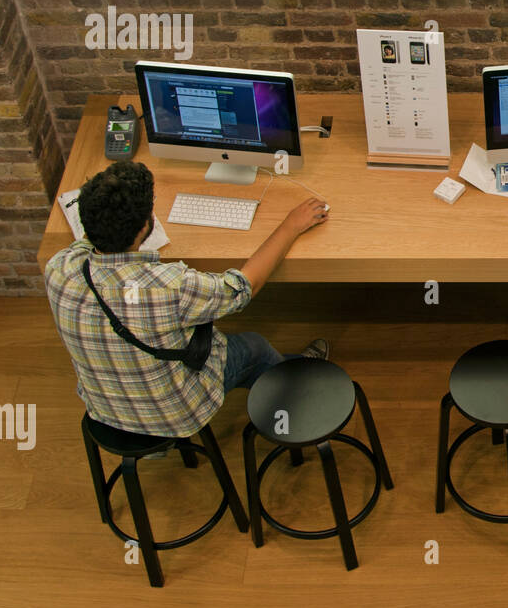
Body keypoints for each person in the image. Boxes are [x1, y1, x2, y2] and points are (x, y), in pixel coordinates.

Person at [45, 161, 330, 438]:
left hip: (106, 408)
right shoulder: (171, 287)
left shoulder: (59, 267)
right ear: (146, 226)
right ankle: (298, 394)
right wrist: (291, 225)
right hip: (174, 413)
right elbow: (244, 287)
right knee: (255, 346)